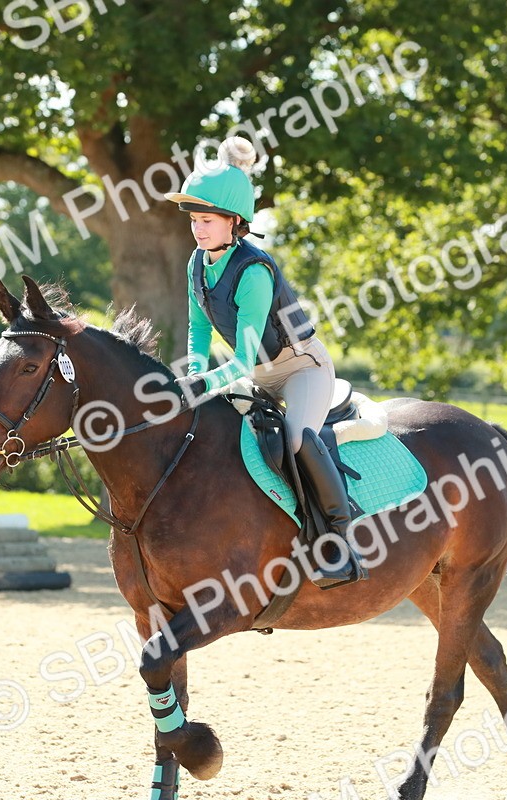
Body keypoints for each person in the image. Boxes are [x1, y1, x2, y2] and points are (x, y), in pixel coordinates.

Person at [165, 137, 368, 588]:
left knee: (295, 437)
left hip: (300, 369)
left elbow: (239, 358)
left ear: (234, 222)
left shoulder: (254, 271)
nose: (198, 230)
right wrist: (195, 372)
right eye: (195, 221)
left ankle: (338, 539)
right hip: (256, 374)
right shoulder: (196, 264)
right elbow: (199, 334)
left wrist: (205, 382)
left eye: (207, 221)